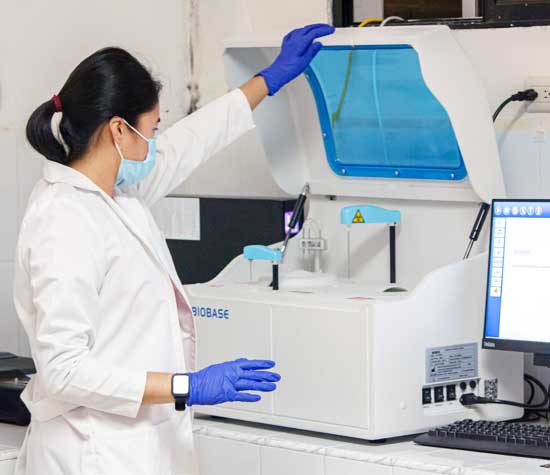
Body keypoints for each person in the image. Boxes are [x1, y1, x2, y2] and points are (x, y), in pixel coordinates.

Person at [12, 23, 335, 475]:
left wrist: (268, 80)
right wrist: (186, 385)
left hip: (135, 447)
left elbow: (189, 144)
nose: (157, 142)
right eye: (152, 129)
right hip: (91, 452)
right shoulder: (64, 219)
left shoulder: (117, 196)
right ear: (119, 130)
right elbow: (64, 370)